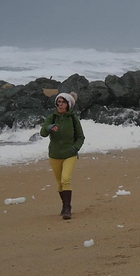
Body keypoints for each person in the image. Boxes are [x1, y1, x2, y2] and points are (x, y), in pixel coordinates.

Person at [40, 92, 85, 220]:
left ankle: (67, 208)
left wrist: (74, 148)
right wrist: (49, 127)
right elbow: (42, 133)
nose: (60, 104)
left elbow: (81, 137)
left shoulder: (73, 119)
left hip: (69, 154)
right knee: (60, 183)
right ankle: (64, 205)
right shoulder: (52, 117)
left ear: (68, 105)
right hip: (54, 154)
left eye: (63, 102)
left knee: (66, 179)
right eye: (58, 102)